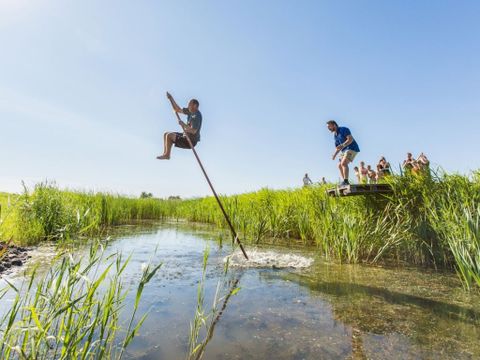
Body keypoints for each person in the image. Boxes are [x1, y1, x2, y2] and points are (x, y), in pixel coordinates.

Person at [157, 92, 202, 160]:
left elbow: (193, 131)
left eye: (190, 104)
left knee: (169, 135)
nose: (188, 106)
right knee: (166, 134)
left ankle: (167, 155)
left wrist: (183, 124)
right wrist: (171, 98)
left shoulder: (197, 116)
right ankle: (166, 154)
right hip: (185, 136)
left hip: (190, 141)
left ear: (195, 106)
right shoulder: (190, 111)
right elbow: (177, 109)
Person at [327, 120, 360, 186]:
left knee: (343, 163)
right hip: (344, 150)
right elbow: (338, 147)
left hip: (352, 148)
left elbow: (350, 139)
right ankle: (345, 182)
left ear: (334, 125)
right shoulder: (335, 136)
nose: (328, 128)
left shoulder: (343, 129)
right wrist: (334, 155)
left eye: (329, 126)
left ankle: (346, 181)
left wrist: (342, 145)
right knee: (339, 165)